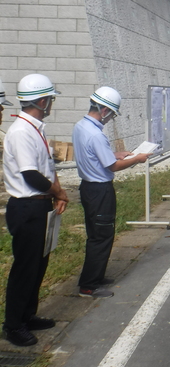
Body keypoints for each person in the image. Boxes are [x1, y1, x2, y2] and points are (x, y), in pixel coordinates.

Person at [2, 74, 68, 347]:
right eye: (50, 99)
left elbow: (46, 168)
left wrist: (56, 191)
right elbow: (31, 175)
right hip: (26, 206)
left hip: (39, 205)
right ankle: (13, 324)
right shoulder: (21, 131)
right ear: (42, 101)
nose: (51, 104)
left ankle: (28, 315)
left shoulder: (35, 127)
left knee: (38, 264)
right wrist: (59, 193)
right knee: (25, 267)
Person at [72, 87, 149, 299]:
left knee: (96, 233)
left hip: (88, 187)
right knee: (101, 236)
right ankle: (88, 285)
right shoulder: (96, 134)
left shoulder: (81, 127)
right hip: (99, 190)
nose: (110, 118)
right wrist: (136, 158)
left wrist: (117, 153)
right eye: (112, 114)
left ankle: (95, 277)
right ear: (104, 110)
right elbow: (112, 167)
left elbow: (97, 156)